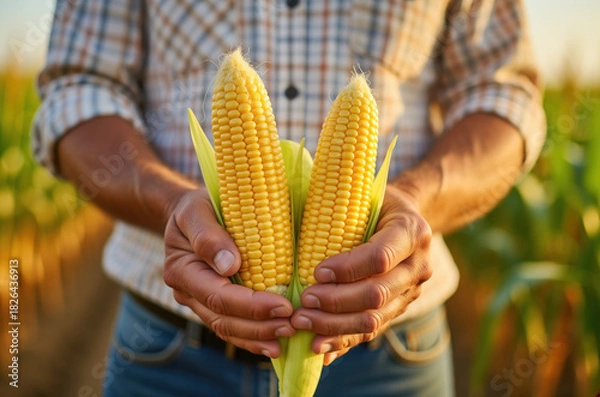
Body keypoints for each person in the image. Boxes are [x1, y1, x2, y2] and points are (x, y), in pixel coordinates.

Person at [33, 0, 545, 396]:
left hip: (391, 354)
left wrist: (414, 198)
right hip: (166, 348)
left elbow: (500, 92)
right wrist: (172, 203)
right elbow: (81, 88)